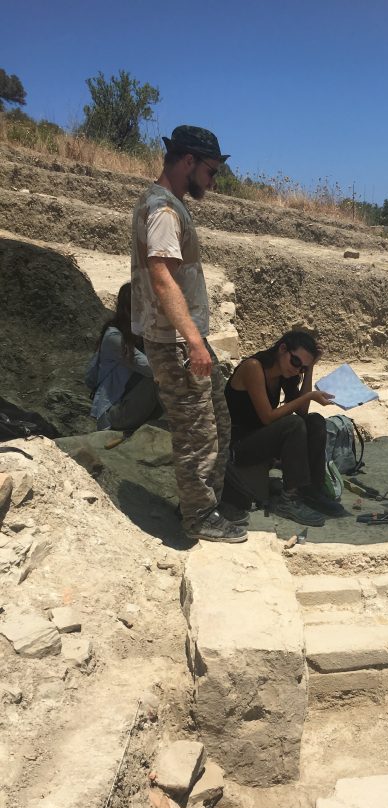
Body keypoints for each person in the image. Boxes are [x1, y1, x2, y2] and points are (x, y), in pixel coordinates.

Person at [130, 124, 247, 543]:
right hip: (175, 341)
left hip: (184, 337)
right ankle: (198, 518)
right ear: (188, 161)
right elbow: (162, 278)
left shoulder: (170, 205)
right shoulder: (162, 211)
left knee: (218, 419)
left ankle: (205, 506)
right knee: (197, 432)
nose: (213, 182)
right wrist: (194, 342)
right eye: (210, 172)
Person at [225, 330, 345, 527]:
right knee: (293, 424)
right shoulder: (253, 367)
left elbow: (303, 410)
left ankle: (310, 490)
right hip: (239, 445)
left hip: (261, 437)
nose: (297, 370)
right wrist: (309, 396)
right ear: (282, 349)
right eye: (296, 362)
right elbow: (267, 417)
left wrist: (310, 368)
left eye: (302, 368)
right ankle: (287, 500)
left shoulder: (284, 374)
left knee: (314, 421)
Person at [86, 283, 161, 432]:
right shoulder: (114, 338)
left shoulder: (136, 334)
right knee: (159, 378)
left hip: (130, 404)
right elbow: (151, 369)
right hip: (113, 414)